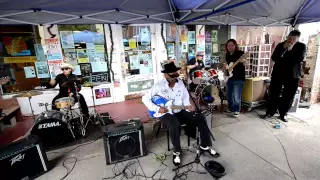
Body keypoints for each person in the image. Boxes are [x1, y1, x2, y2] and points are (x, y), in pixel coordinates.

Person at [142, 62, 220, 166]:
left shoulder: (181, 84)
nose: (175, 75)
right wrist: (157, 108)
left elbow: (185, 98)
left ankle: (204, 145)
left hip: (179, 110)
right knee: (175, 125)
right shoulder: (158, 86)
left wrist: (188, 107)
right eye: (172, 73)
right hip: (166, 113)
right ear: (165, 75)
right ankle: (177, 152)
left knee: (200, 117)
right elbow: (145, 98)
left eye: (176, 72)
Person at [262, 30, 306, 122]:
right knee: (273, 93)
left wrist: (290, 50)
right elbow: (274, 58)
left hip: (293, 75)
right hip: (278, 73)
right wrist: (283, 49)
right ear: (287, 37)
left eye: (293, 39)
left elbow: (298, 59)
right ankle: (270, 112)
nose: (290, 40)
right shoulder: (280, 45)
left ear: (297, 39)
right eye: (289, 38)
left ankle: (283, 113)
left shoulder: (301, 46)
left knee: (289, 95)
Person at [224, 39, 246, 117]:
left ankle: (237, 110)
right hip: (230, 78)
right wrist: (226, 68)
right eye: (228, 45)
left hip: (239, 78)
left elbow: (246, 63)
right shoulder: (227, 54)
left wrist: (243, 61)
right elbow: (227, 65)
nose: (230, 47)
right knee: (228, 95)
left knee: (236, 95)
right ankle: (231, 109)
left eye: (232, 45)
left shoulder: (240, 53)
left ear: (235, 45)